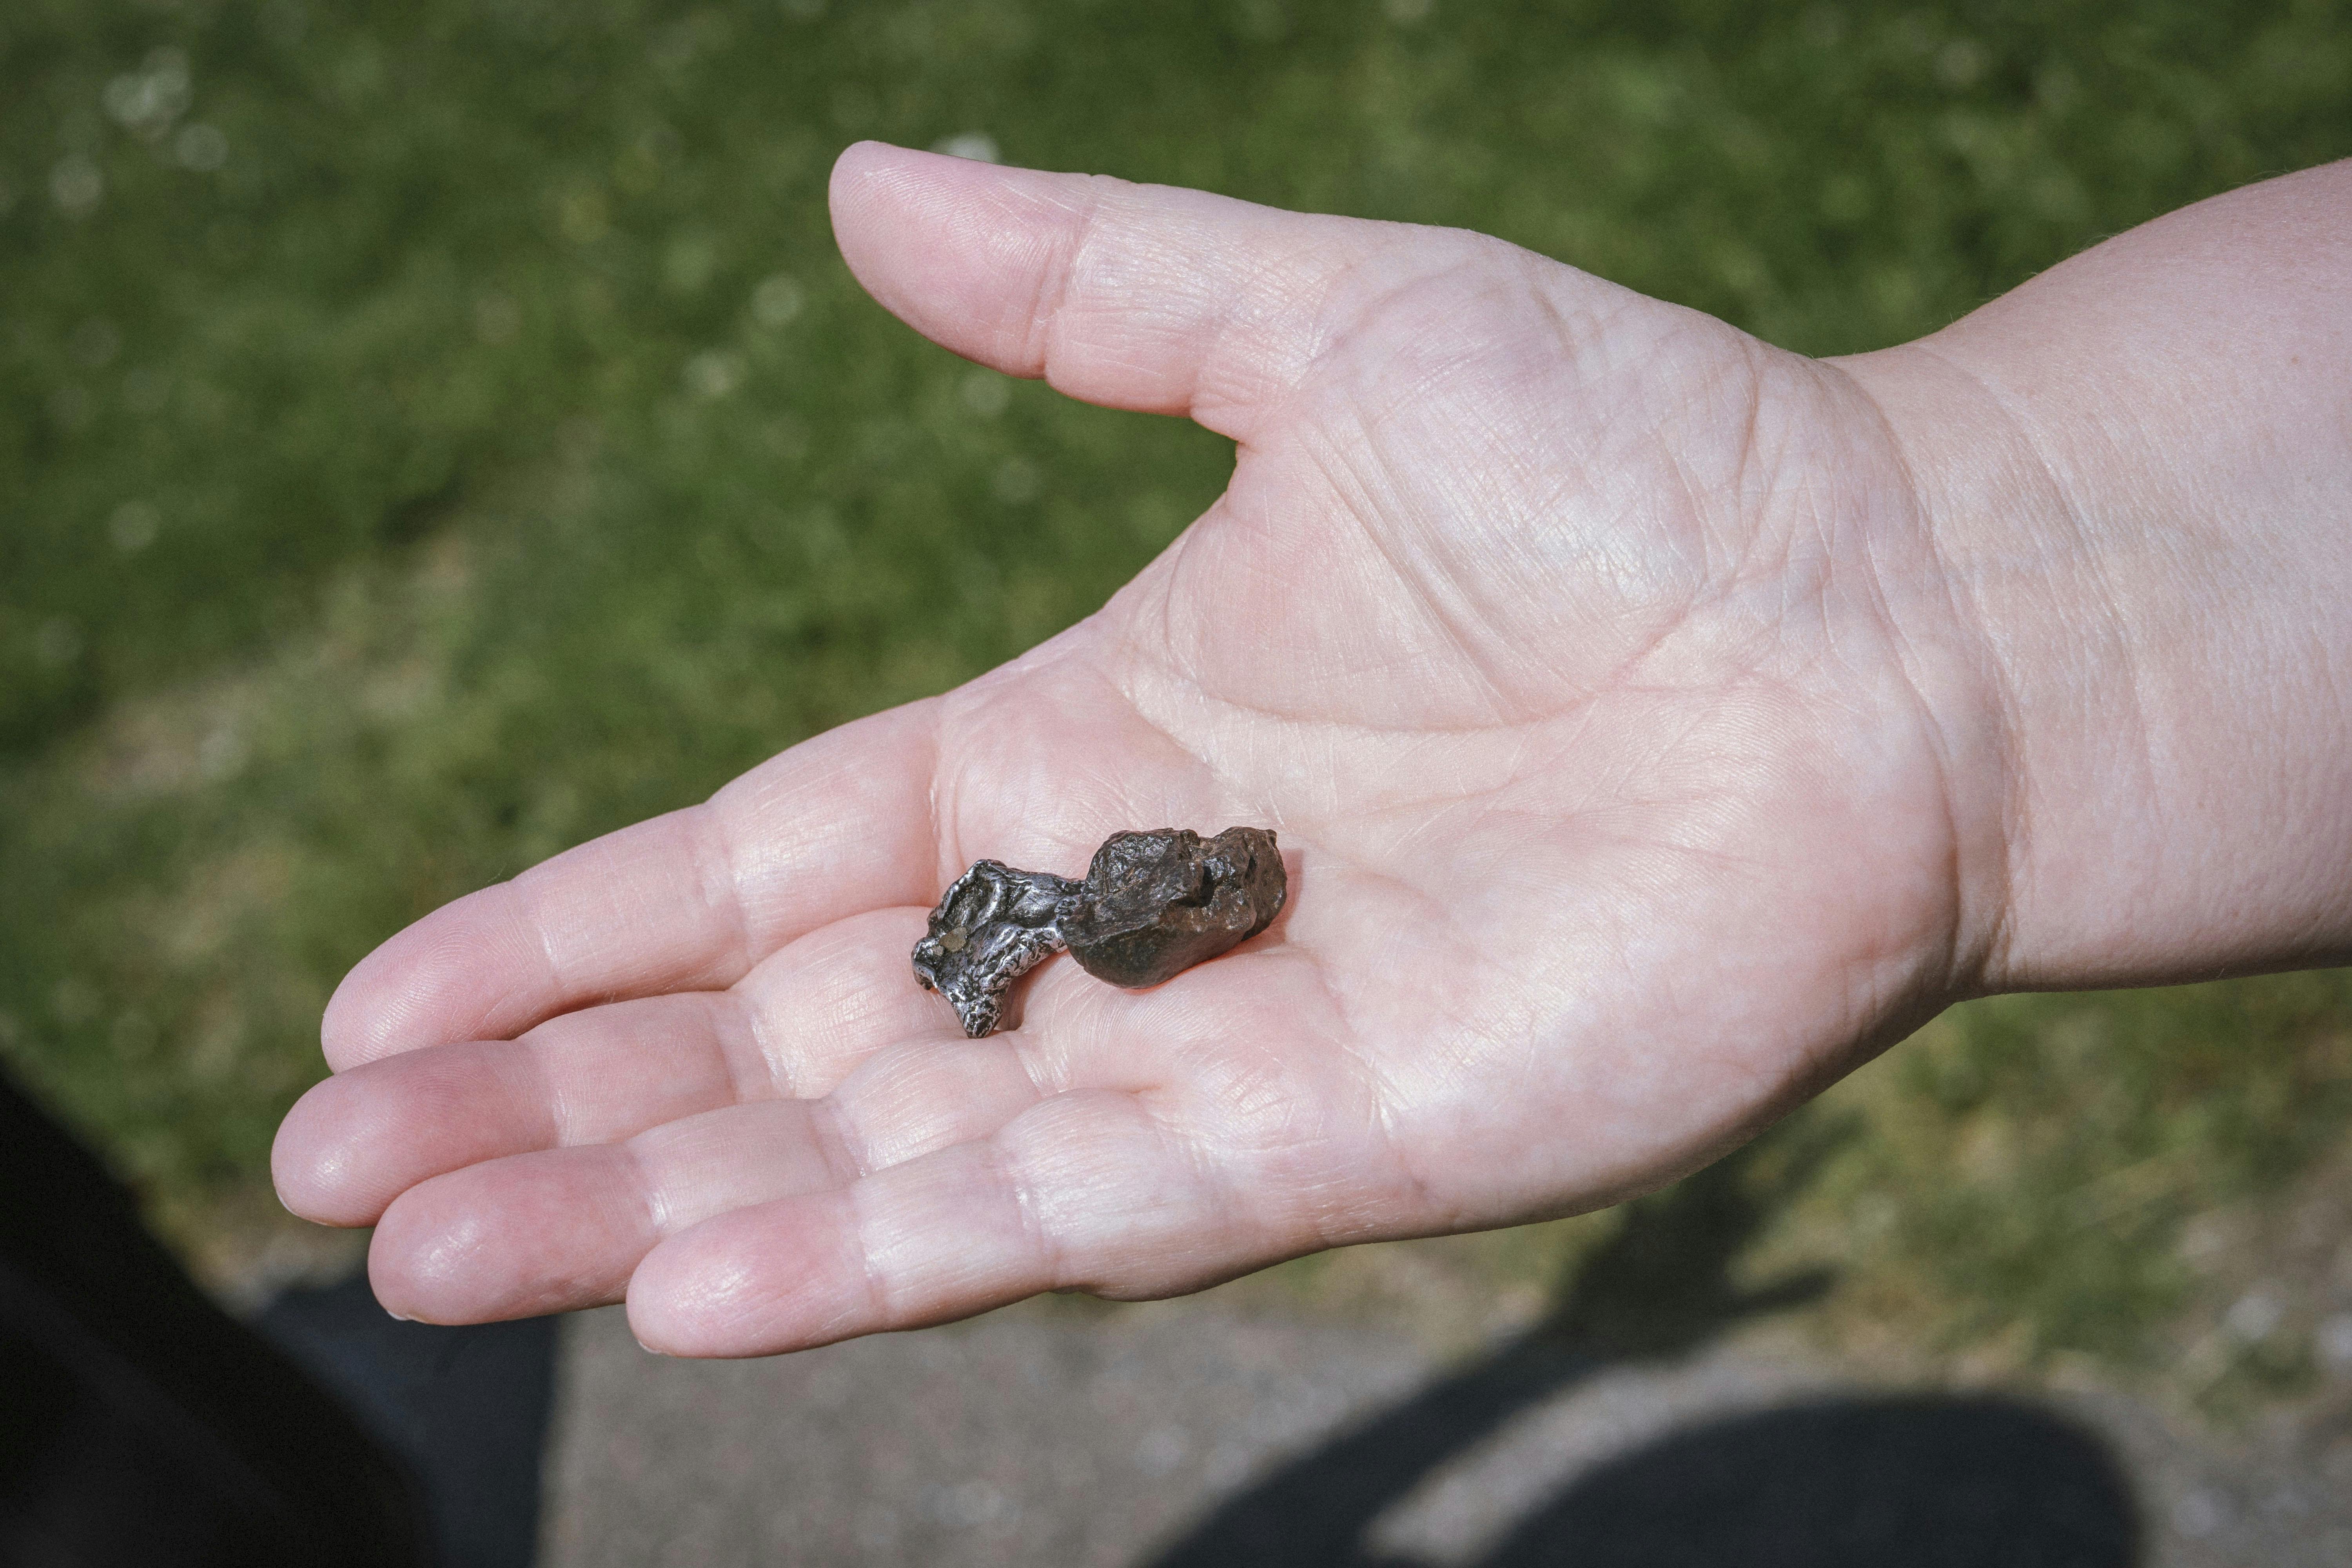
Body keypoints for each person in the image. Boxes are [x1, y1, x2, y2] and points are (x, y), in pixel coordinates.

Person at [270, 144, 2352, 1358]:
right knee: (1023, 927)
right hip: (1064, 923)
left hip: (1112, 911)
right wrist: (1937, 583)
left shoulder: (1185, 886)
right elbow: (1081, 910)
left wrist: (1910, 593)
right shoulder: (1099, 905)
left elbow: (1167, 891)